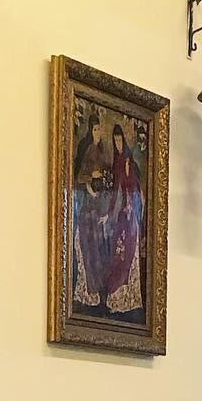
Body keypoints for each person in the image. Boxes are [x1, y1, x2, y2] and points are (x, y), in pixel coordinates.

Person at [101, 122, 143, 315]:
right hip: (122, 213)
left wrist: (130, 206)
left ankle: (128, 299)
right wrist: (109, 214)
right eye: (115, 140)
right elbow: (116, 191)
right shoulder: (117, 162)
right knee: (118, 255)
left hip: (130, 214)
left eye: (120, 140)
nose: (118, 143)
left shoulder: (127, 161)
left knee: (127, 253)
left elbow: (131, 187)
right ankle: (117, 299)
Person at [72, 109, 111, 308]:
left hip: (100, 204)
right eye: (95, 130)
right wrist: (91, 178)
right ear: (91, 131)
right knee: (89, 246)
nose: (98, 133)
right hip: (89, 205)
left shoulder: (102, 152)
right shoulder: (89, 150)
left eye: (99, 130)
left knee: (100, 247)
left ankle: (100, 289)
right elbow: (80, 177)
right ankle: (91, 289)